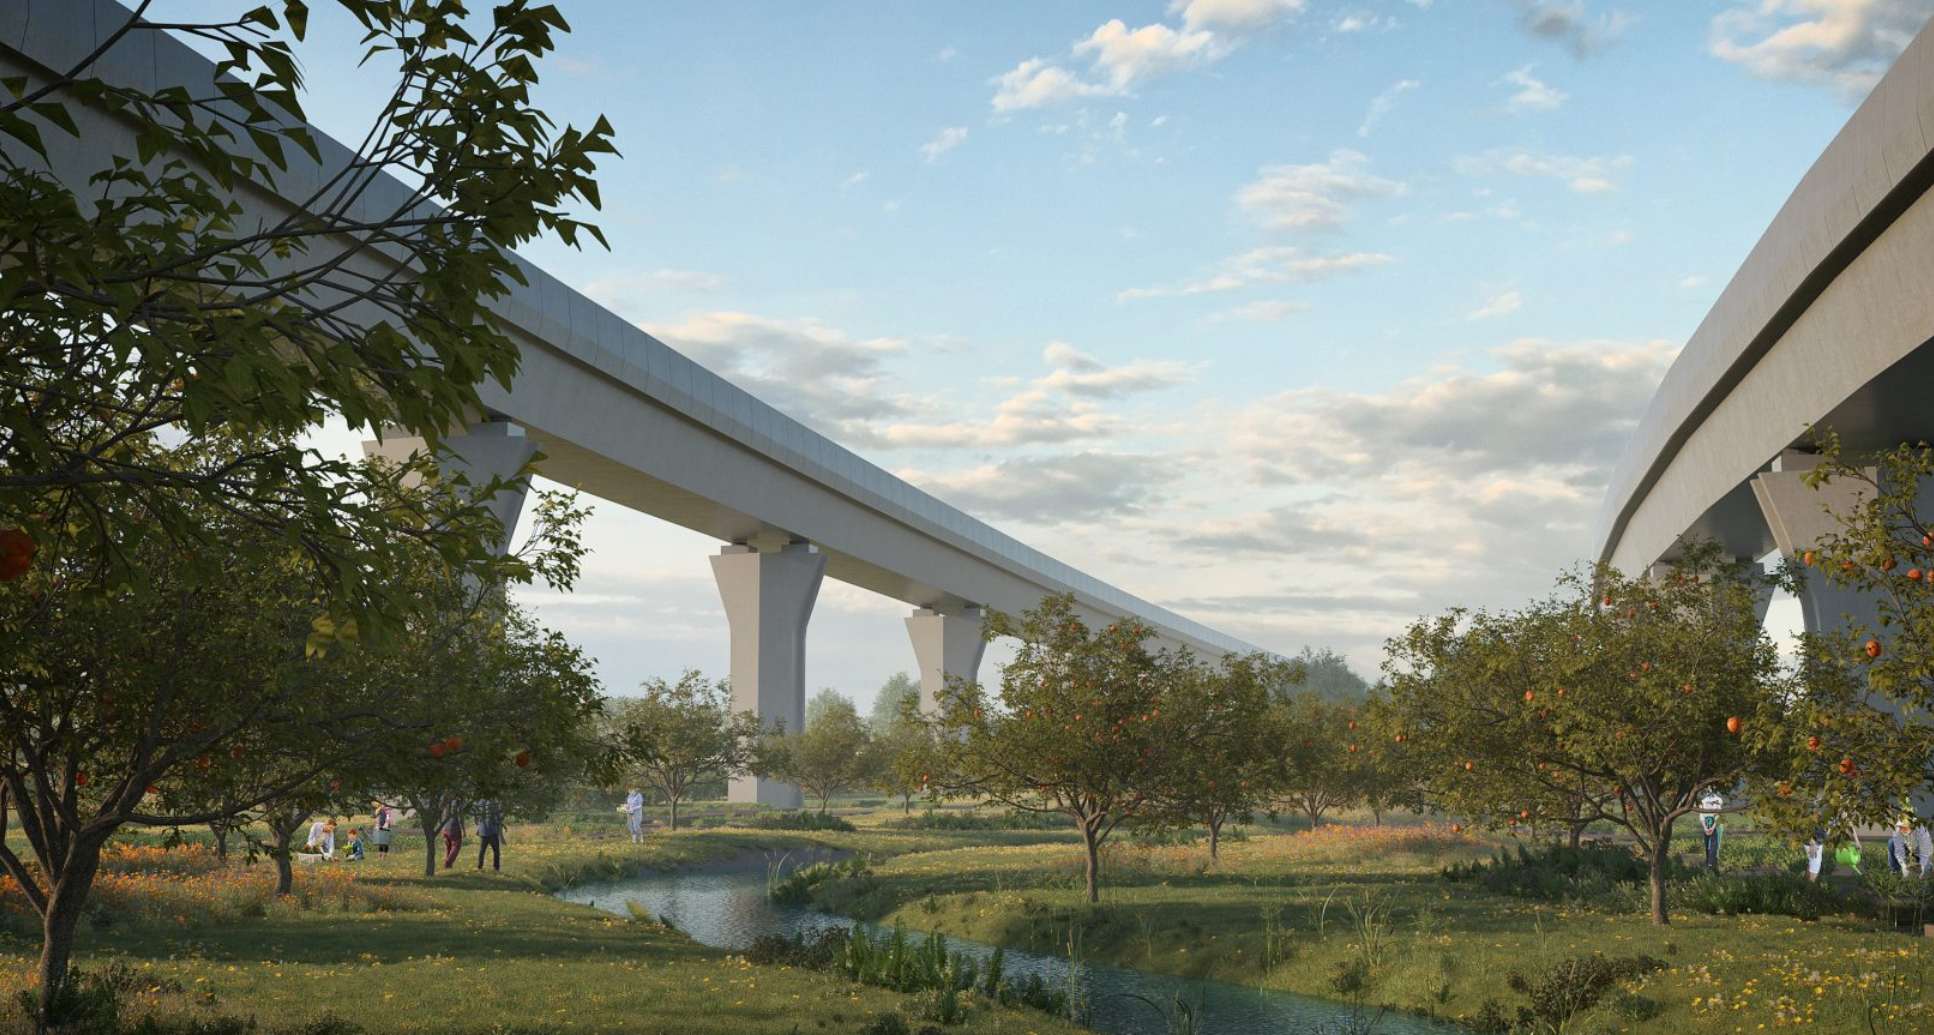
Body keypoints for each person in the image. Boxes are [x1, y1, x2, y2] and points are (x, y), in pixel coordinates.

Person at [475, 799, 505, 872]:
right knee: (496, 851)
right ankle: (496, 867)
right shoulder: (494, 802)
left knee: (482, 850)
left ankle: (479, 866)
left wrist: (478, 828)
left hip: (483, 831)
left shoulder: (480, 802)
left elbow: (477, 817)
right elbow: (498, 817)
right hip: (492, 831)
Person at [1699, 793, 1724, 871]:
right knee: (1714, 843)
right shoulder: (1718, 800)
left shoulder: (1703, 801)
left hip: (1706, 824)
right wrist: (1713, 827)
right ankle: (1711, 862)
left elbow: (1701, 816)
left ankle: (1709, 861)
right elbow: (1718, 816)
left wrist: (1705, 828)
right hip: (1715, 825)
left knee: (1708, 843)